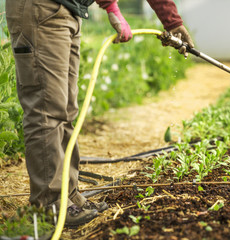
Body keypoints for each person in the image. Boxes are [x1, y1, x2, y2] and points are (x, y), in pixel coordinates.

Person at [5, 0, 194, 227]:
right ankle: (50, 204)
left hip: (67, 9)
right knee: (48, 110)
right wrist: (114, 7)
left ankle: (69, 195)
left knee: (65, 110)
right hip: (42, 7)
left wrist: (170, 21)